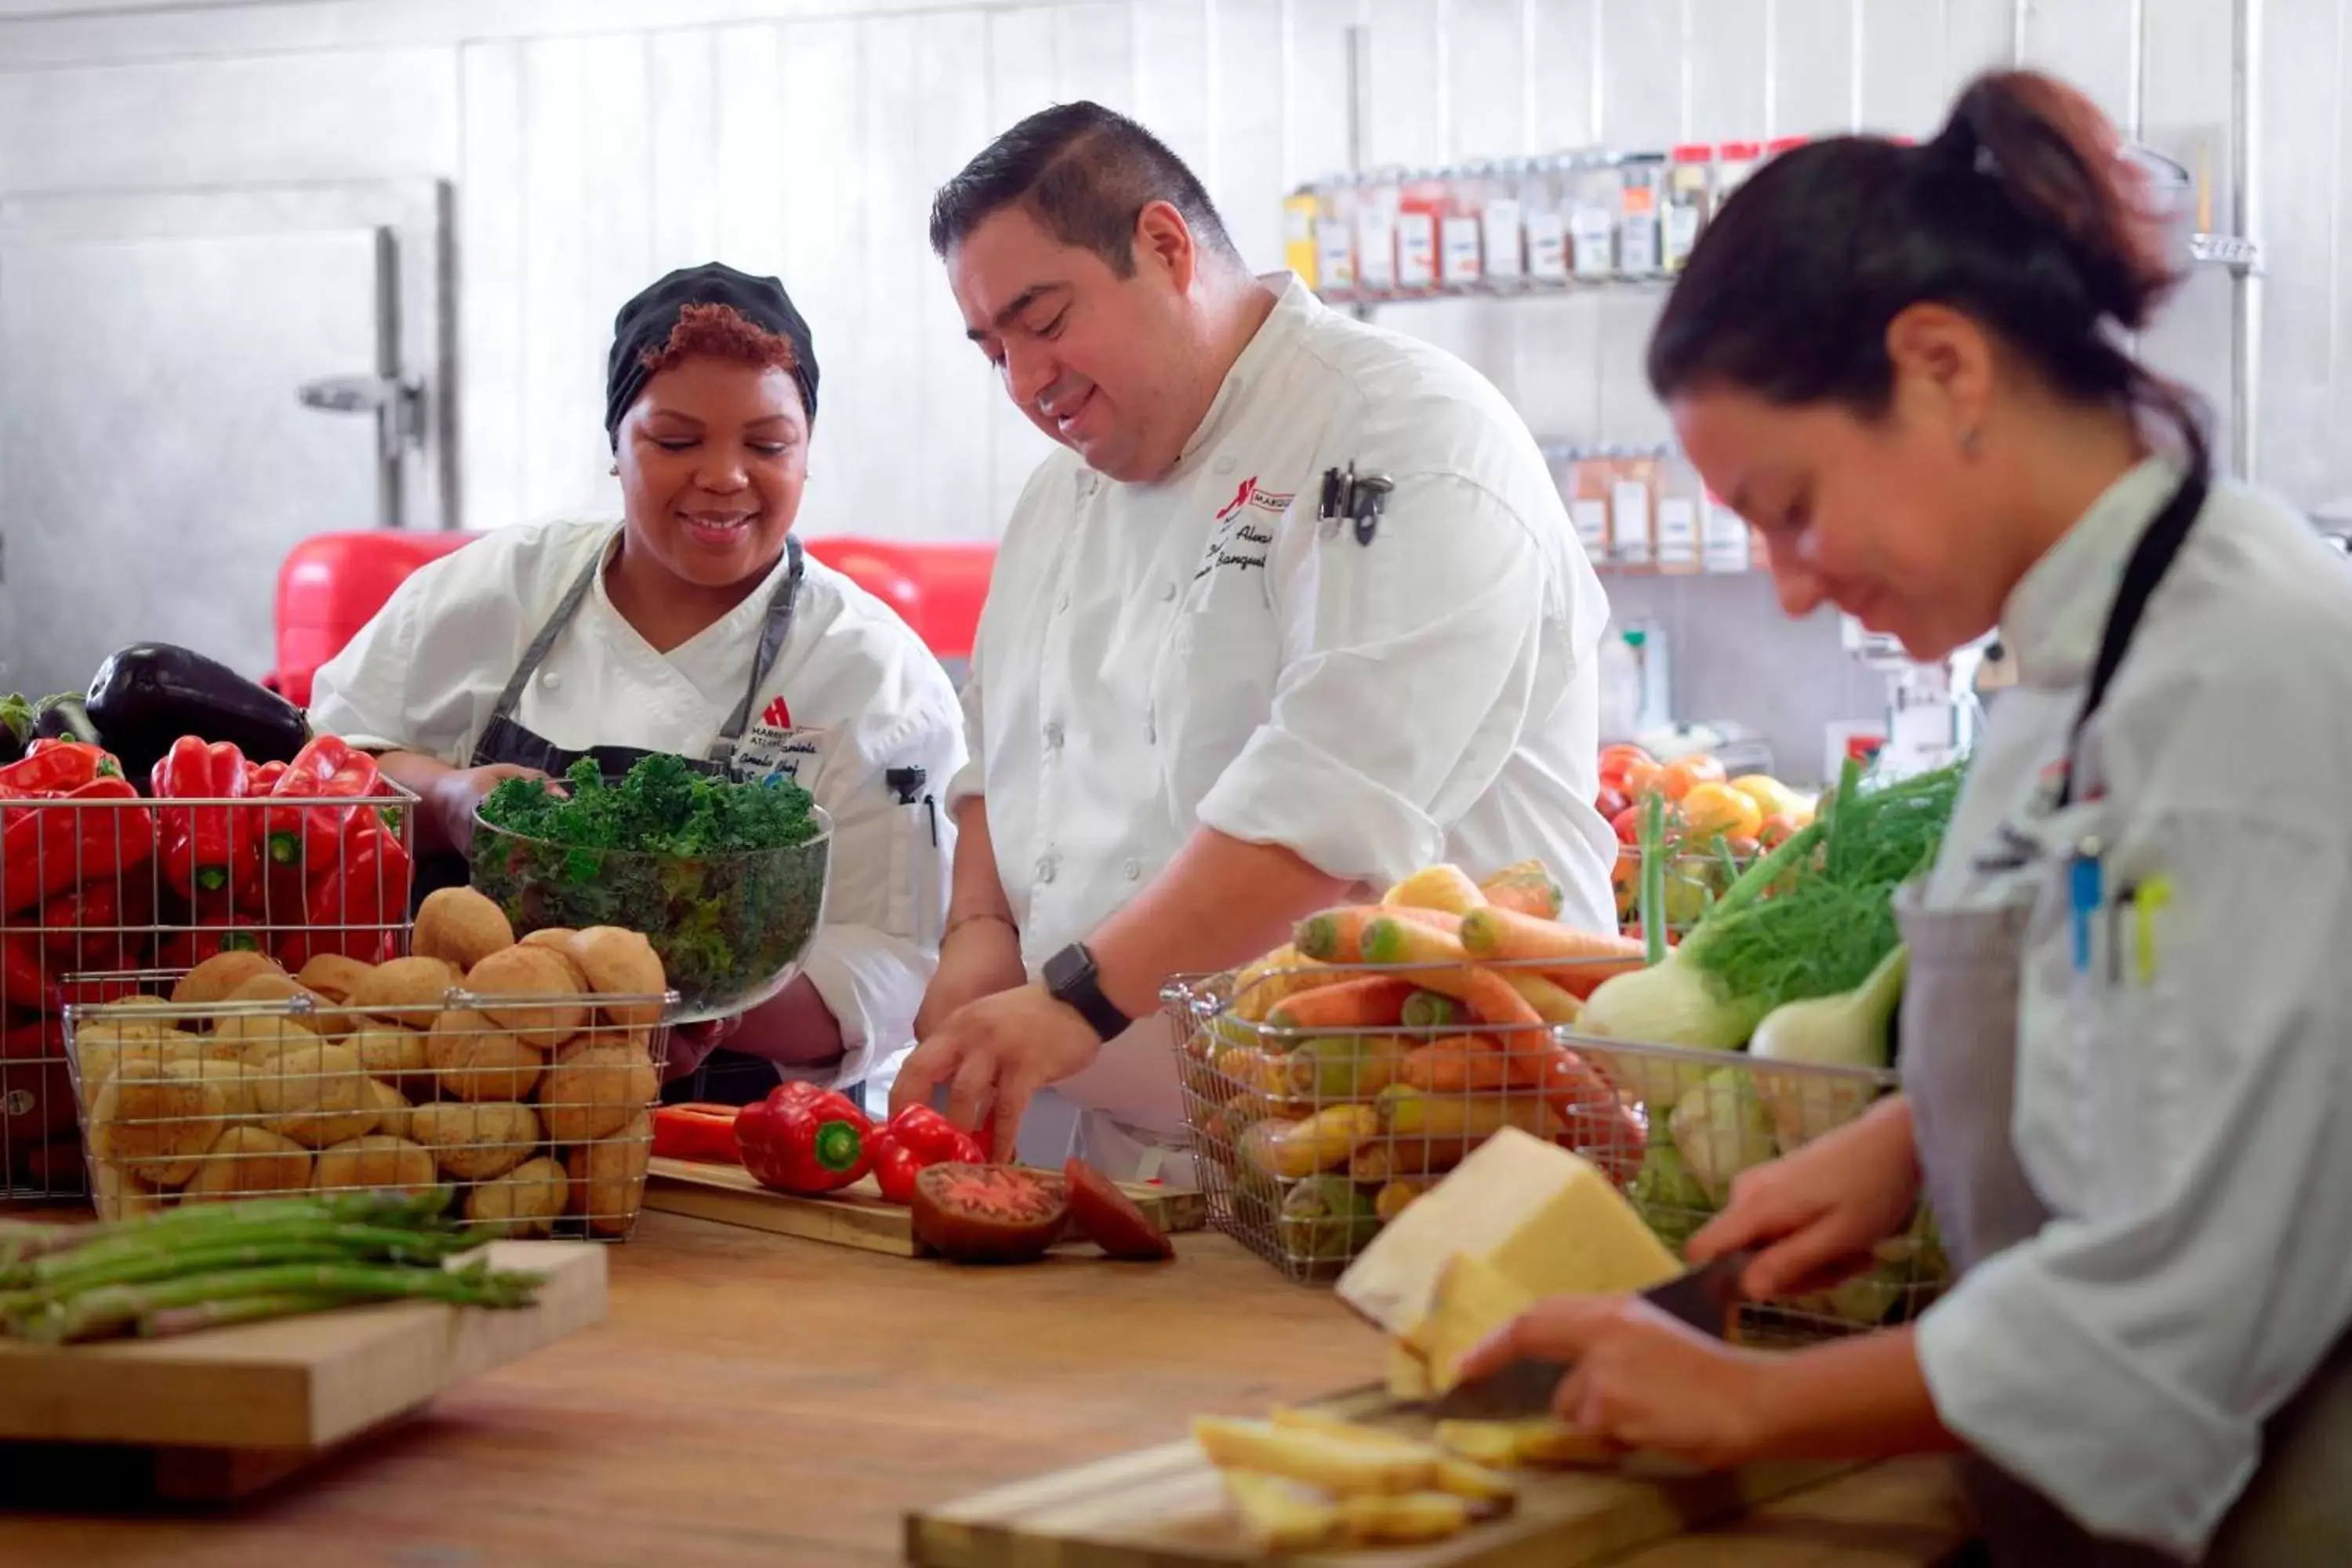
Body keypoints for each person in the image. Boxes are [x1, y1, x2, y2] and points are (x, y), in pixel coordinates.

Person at [1456, 71, 2352, 1566]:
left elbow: (2178, 1313)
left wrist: (1751, 1405)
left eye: (1792, 506)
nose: (1790, 584)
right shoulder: (2076, 654)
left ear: (1942, 365)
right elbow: (2147, 1009)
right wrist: (1924, 1139)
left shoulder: (2247, 683)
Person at [886, 103, 1618, 1179]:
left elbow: (1328, 801)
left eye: (1044, 321)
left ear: (1166, 247)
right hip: (1142, 1162)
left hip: (1420, 1145)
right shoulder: (1056, 498)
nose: (1027, 384)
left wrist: (1076, 1001)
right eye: (993, 349)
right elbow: (1004, 753)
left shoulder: (1403, 432)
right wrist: (981, 935)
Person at [307, 262, 965, 1106]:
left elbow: (891, 960)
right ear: (616, 444)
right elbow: (325, 765)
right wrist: (449, 799)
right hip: (458, 1094)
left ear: (808, 450)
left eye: (767, 445)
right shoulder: (503, 586)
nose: (724, 475)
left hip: (732, 1134)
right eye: (677, 440)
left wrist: (695, 1006)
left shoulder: (870, 669)